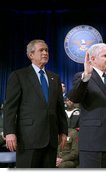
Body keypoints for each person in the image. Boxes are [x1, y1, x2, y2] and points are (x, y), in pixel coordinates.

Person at [3, 39, 68, 168]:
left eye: (46, 50)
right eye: (41, 50)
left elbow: (59, 108)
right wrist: (9, 132)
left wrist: (63, 131)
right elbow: (10, 107)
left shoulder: (54, 78)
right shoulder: (18, 76)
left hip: (51, 139)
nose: (45, 53)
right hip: (28, 138)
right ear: (31, 55)